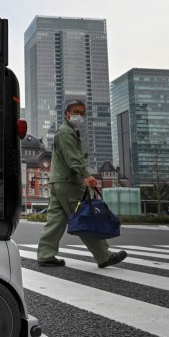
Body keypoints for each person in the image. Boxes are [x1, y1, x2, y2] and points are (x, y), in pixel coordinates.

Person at [37, 100, 127, 268]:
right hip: (70, 182)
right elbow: (73, 158)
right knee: (86, 216)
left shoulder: (69, 131)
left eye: (82, 113)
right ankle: (103, 256)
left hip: (59, 181)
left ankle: (45, 255)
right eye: (76, 112)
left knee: (56, 219)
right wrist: (86, 176)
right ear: (67, 114)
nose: (80, 116)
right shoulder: (66, 132)